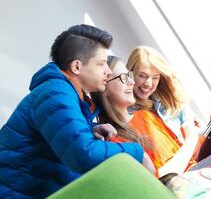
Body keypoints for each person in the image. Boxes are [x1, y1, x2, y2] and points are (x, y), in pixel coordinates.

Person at [0, 25, 154, 199]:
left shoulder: (65, 93)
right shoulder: (56, 94)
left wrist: (90, 130)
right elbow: (83, 155)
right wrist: (138, 153)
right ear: (77, 66)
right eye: (101, 64)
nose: (108, 71)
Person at [92, 55, 211, 184]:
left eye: (129, 75)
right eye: (123, 78)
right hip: (181, 182)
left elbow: (179, 149)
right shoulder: (113, 140)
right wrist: (191, 139)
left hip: (195, 163)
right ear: (103, 88)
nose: (131, 82)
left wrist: (204, 129)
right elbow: (159, 179)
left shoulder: (144, 114)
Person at [126, 46, 211, 163]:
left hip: (199, 148)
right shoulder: (133, 115)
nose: (148, 84)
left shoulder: (165, 100)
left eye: (155, 77)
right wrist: (191, 138)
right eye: (142, 76)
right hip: (190, 162)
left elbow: (193, 133)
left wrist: (207, 125)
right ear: (129, 73)